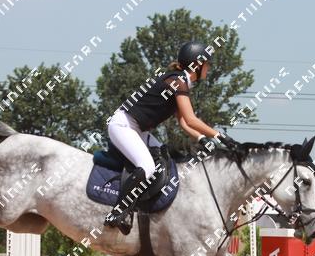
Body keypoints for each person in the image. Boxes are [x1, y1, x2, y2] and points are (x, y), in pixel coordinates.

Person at [103, 41, 240, 233]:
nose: (208, 67)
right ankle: (117, 212)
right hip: (123, 126)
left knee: (163, 155)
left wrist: (201, 139)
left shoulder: (179, 81)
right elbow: (191, 119)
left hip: (138, 129)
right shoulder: (177, 82)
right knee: (148, 167)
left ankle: (144, 208)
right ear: (197, 65)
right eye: (207, 64)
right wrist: (220, 136)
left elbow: (183, 122)